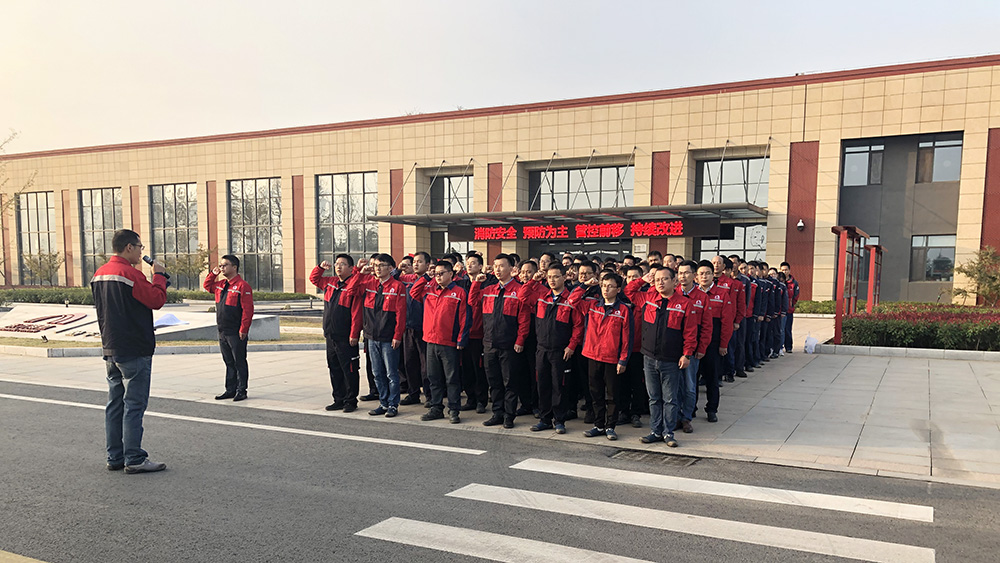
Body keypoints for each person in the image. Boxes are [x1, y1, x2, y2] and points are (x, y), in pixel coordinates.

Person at [91, 229, 168, 474]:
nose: (140, 252)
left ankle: (115, 456)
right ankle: (134, 458)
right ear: (129, 247)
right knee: (133, 405)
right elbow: (156, 300)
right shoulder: (131, 274)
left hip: (111, 346)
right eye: (139, 247)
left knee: (115, 404)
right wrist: (159, 276)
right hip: (134, 348)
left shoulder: (99, 273)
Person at [625, 266, 699, 447]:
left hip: (671, 359)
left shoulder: (684, 304)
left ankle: (668, 433)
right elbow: (628, 291)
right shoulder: (648, 299)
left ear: (674, 281)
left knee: (670, 399)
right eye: (657, 279)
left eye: (665, 279)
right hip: (649, 357)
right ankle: (655, 431)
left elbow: (690, 332)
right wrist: (642, 279)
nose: (660, 282)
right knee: (654, 398)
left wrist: (687, 354)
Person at [470, 254, 533, 428]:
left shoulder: (519, 290)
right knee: (494, 382)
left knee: (510, 382)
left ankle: (509, 415)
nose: (497, 269)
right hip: (490, 343)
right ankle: (497, 413)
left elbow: (524, 320)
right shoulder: (489, 289)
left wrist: (520, 340)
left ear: (512, 269)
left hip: (509, 344)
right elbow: (473, 301)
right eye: (495, 266)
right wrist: (476, 283)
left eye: (501, 266)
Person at [347, 254, 407, 417]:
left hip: (388, 338)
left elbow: (401, 313)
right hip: (371, 336)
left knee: (391, 374)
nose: (378, 268)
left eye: (382, 265)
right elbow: (351, 291)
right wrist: (360, 274)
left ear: (390, 268)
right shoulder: (368, 283)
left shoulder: (397, 286)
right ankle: (383, 402)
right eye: (376, 265)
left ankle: (393, 404)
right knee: (377, 373)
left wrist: (397, 335)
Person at [410, 260, 471, 423]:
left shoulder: (459, 292)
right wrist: (426, 277)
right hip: (430, 341)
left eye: (441, 273)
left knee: (451, 378)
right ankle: (436, 408)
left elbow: (464, 317)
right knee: (433, 377)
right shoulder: (429, 290)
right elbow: (413, 292)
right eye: (436, 273)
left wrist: (461, 339)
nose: (438, 277)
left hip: (449, 342)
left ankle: (454, 409)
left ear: (451, 274)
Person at [530, 264, 584, 434]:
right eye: (549, 277)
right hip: (542, 349)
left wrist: (571, 346)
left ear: (564, 277)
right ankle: (545, 419)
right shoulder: (542, 296)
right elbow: (523, 296)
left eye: (556, 276)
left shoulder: (570, 300)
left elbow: (578, 326)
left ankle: (559, 420)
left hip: (561, 351)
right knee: (543, 385)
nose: (552, 280)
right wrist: (533, 281)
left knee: (559, 386)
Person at [581, 272, 633, 440]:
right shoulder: (593, 305)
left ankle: (610, 426)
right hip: (592, 355)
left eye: (610, 286)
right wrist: (585, 285)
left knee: (612, 395)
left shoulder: (623, 309)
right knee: (595, 393)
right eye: (603, 286)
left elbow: (627, 338)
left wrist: (623, 359)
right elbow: (573, 301)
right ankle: (598, 425)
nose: (606, 289)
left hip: (612, 358)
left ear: (618, 289)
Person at [310, 254, 363, 412]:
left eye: (343, 264)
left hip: (345, 336)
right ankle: (338, 399)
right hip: (330, 334)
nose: (338, 266)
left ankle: (350, 401)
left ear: (351, 268)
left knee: (349, 369)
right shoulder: (330, 282)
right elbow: (314, 279)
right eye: (336, 263)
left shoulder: (354, 285)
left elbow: (356, 313)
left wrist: (354, 334)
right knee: (334, 368)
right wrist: (320, 268)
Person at [204, 254, 255, 402]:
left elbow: (248, 310)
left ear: (234, 267)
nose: (222, 268)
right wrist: (213, 274)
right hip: (223, 330)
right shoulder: (220, 285)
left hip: (235, 331)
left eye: (225, 265)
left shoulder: (242, 286)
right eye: (220, 265)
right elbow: (207, 286)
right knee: (228, 362)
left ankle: (241, 390)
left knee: (239, 361)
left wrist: (244, 329)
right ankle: (230, 389)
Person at [696, 260, 734, 423]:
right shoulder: (691, 294)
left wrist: (723, 344)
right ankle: (691, 408)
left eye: (707, 273)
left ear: (713, 275)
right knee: (692, 378)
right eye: (701, 274)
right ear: (696, 277)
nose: (704, 276)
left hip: (713, 343)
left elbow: (727, 322)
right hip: (694, 342)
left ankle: (712, 409)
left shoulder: (722, 294)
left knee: (712, 378)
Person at [673, 260, 710, 432]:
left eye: (686, 273)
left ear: (694, 276)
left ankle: (686, 417)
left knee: (689, 386)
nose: (683, 276)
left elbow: (707, 326)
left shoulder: (702, 297)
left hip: (692, 350)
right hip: (673, 348)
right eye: (680, 273)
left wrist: (702, 348)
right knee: (674, 386)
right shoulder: (673, 293)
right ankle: (675, 417)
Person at [398, 251, 432, 406]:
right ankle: (413, 393)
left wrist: (426, 278)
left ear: (428, 264)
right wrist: (398, 269)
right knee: (409, 362)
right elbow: (391, 279)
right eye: (414, 262)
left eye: (420, 262)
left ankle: (430, 395)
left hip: (424, 328)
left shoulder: (432, 281)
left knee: (426, 365)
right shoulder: (407, 279)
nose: (416, 264)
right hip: (408, 327)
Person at [780, 262, 800, 353]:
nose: (784, 272)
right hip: (780, 310)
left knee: (787, 329)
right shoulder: (779, 281)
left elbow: (796, 296)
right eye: (782, 270)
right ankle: (779, 347)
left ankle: (788, 347)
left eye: (786, 270)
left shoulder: (794, 283)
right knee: (780, 330)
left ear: (789, 270)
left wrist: (791, 304)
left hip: (789, 310)